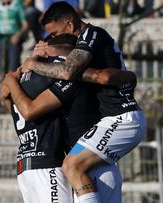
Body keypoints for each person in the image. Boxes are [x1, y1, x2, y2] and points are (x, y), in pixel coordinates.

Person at [21, 2, 146, 203]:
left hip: (122, 117)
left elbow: (69, 71)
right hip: (111, 121)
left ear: (70, 25)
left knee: (71, 165)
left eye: (53, 34)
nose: (51, 41)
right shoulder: (89, 45)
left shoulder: (92, 34)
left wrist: (34, 64)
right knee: (74, 164)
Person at [0, 34, 136, 203]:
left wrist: (27, 64)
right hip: (72, 166)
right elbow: (29, 111)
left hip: (35, 164)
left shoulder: (20, 79)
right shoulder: (63, 75)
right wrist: (131, 76)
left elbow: (15, 103)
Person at [0, 0, 29, 76]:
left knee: (14, 65)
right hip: (0, 39)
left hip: (13, 39)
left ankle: (14, 85)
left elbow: (25, 25)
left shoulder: (17, 5)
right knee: (1, 66)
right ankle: (2, 85)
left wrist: (18, 35)